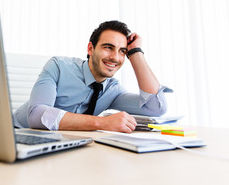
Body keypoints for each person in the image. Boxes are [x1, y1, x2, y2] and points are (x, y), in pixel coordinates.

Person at [13, 21, 172, 133]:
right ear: (91, 48)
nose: (115, 57)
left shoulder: (112, 90)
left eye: (122, 51)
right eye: (108, 47)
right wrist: (102, 123)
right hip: (18, 134)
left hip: (63, 142)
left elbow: (156, 108)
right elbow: (36, 115)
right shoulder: (58, 66)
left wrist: (135, 53)